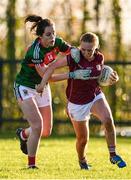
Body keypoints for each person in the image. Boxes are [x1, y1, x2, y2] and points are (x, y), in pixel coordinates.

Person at [36, 32, 126, 170]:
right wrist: (43, 83)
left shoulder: (99, 58)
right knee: (83, 139)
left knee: (108, 120)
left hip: (94, 95)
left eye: (89, 50)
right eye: (83, 49)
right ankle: (82, 160)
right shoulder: (73, 57)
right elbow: (52, 68)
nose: (85, 52)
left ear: (96, 48)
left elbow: (100, 76)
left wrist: (112, 78)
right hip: (77, 103)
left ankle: (113, 154)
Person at [14, 14, 91, 169]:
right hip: (26, 87)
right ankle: (31, 165)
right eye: (48, 35)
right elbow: (47, 77)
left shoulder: (58, 43)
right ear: (40, 36)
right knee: (37, 125)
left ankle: (23, 135)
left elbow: (73, 53)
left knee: (46, 130)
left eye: (54, 33)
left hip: (42, 88)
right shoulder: (35, 52)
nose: (53, 37)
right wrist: (72, 75)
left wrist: (80, 53)